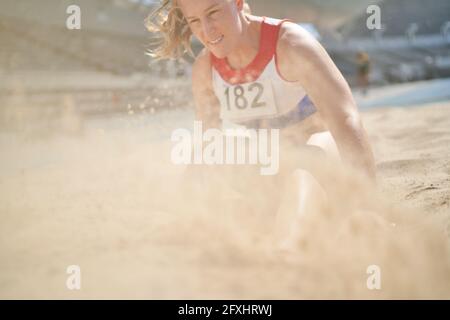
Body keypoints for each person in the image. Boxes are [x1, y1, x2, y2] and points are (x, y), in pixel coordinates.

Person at [147, 0, 376, 247]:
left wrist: (367, 206)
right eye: (194, 21)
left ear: (238, 3)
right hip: (271, 165)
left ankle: (287, 248)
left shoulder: (291, 46)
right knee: (214, 158)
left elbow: (345, 120)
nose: (207, 30)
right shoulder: (205, 69)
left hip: (321, 161)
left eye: (213, 13)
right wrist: (184, 208)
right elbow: (205, 146)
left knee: (306, 163)